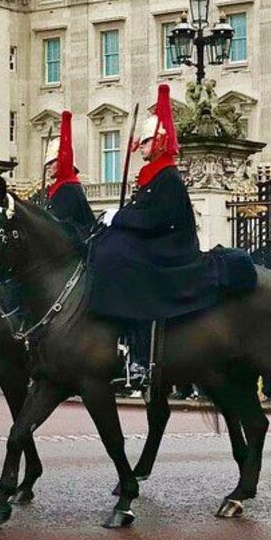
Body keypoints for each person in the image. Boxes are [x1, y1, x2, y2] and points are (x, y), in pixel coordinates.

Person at [85, 85, 205, 392]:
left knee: (121, 261)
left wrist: (119, 217)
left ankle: (138, 355)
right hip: (157, 244)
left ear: (160, 141)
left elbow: (157, 220)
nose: (140, 147)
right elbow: (141, 212)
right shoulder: (154, 174)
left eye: (147, 141)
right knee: (106, 246)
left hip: (172, 249)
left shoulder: (169, 178)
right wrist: (116, 216)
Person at [41, 110, 95, 245]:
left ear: (62, 161)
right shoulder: (57, 186)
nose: (47, 167)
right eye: (47, 164)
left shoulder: (68, 187)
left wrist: (66, 121)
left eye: (51, 162)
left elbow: (60, 222)